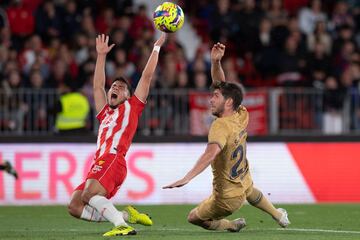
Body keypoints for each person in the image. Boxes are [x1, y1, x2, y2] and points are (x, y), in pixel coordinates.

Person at [163, 42, 290, 232]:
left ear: (228, 102)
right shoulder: (241, 114)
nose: (210, 99)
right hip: (241, 177)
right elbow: (221, 86)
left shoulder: (219, 126)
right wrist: (216, 62)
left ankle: (231, 225)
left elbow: (210, 154)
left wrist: (187, 177)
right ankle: (279, 215)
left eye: (215, 96)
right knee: (249, 188)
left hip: (226, 198)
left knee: (193, 217)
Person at [67, 33, 167, 237]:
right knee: (75, 207)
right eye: (113, 86)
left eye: (121, 88)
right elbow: (97, 86)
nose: (115, 87)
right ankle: (126, 216)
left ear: (128, 96)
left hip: (114, 160)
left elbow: (146, 77)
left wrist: (156, 47)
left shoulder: (133, 106)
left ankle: (121, 225)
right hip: (101, 162)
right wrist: (101, 55)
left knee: (89, 194)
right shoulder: (104, 113)